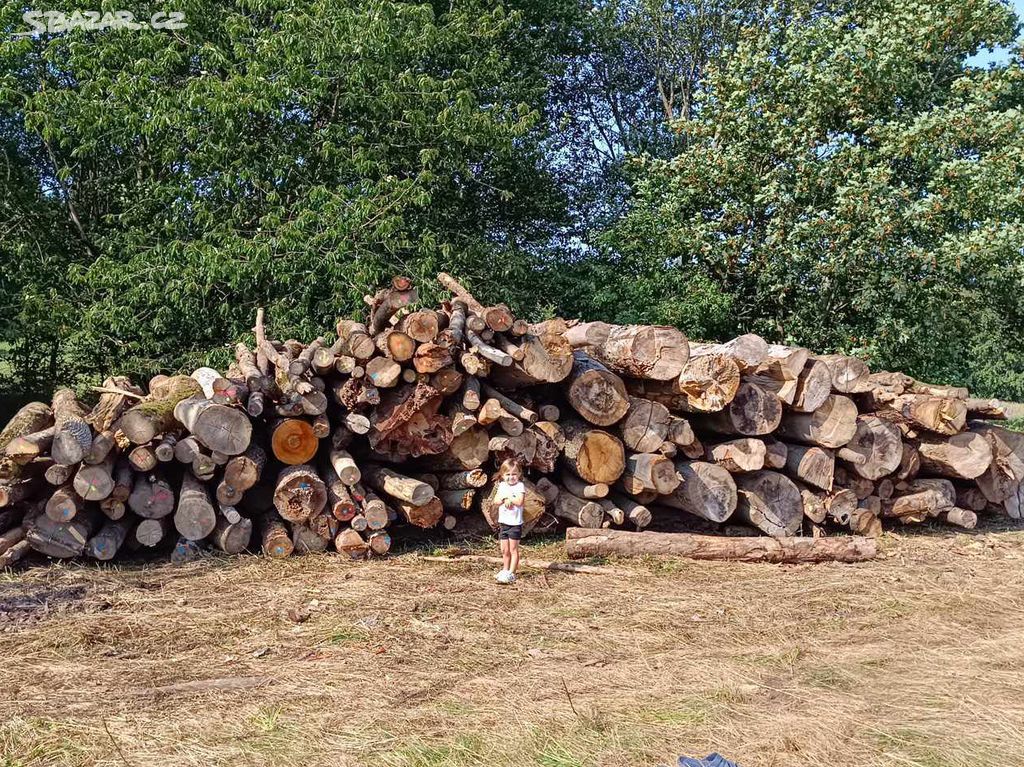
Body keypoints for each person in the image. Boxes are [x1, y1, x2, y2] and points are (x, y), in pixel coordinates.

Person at [493, 458, 525, 584]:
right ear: (502, 475)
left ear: (519, 475)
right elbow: (496, 501)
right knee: (504, 550)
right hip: (504, 523)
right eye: (508, 474)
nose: (511, 477)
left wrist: (509, 498)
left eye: (514, 474)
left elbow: (519, 501)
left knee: (513, 549)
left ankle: (512, 573)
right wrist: (504, 498)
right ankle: (505, 570)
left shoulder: (520, 486)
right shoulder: (501, 486)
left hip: (515, 524)